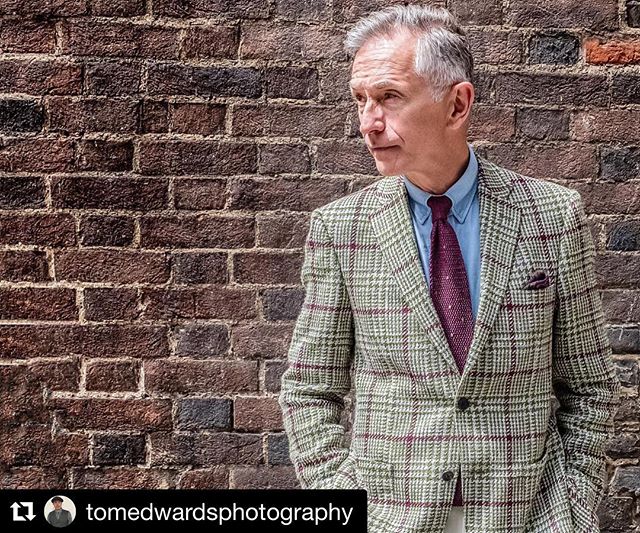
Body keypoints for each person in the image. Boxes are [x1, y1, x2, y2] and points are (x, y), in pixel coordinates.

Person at [278, 5, 621, 533]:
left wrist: (570, 508)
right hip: (392, 517)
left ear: (457, 104)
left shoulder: (552, 216)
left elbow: (590, 384)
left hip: (527, 515)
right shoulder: (342, 228)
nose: (368, 123)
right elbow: (308, 388)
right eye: (361, 99)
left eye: (389, 97)